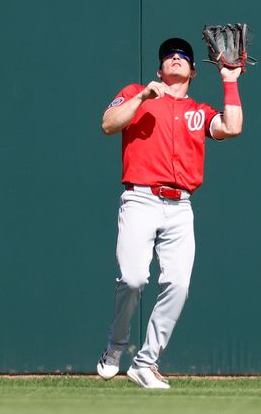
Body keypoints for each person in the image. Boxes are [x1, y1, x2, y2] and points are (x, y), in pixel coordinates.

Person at [95, 37, 244, 389]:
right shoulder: (137, 93)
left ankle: (145, 363)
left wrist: (231, 80)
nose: (175, 58)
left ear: (193, 70)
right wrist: (142, 97)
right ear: (160, 69)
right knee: (133, 279)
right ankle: (115, 349)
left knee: (178, 284)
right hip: (140, 199)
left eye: (183, 56)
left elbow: (232, 127)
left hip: (180, 206)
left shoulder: (198, 111)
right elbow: (108, 123)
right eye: (168, 56)